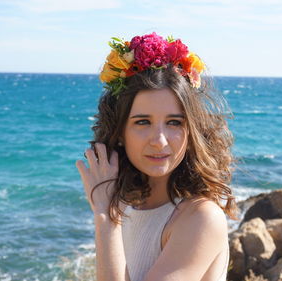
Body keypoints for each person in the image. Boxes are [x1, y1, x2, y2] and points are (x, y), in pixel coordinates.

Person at [75, 32, 237, 281]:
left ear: (190, 130)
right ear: (120, 133)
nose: (160, 140)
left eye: (174, 122)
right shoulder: (126, 207)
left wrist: (104, 217)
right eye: (142, 122)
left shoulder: (201, 218)